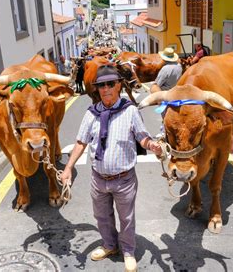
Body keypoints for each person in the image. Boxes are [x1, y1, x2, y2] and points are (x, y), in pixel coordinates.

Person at [60, 65, 162, 272]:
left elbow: (142, 136)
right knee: (102, 216)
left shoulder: (130, 111)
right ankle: (109, 245)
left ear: (119, 86)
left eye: (110, 84)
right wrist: (68, 168)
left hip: (124, 179)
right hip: (98, 178)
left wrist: (152, 145)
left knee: (126, 218)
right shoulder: (91, 114)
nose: (106, 88)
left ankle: (128, 251)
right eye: (101, 85)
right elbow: (81, 142)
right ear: (96, 89)